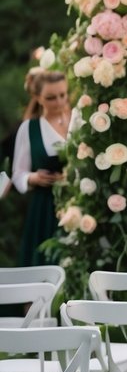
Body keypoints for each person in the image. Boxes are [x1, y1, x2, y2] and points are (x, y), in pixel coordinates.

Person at [11, 70, 71, 264]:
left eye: (63, 95)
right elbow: (18, 174)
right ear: (38, 98)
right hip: (45, 208)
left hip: (78, 204)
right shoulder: (29, 128)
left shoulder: (79, 121)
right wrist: (33, 178)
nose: (60, 102)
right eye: (51, 98)